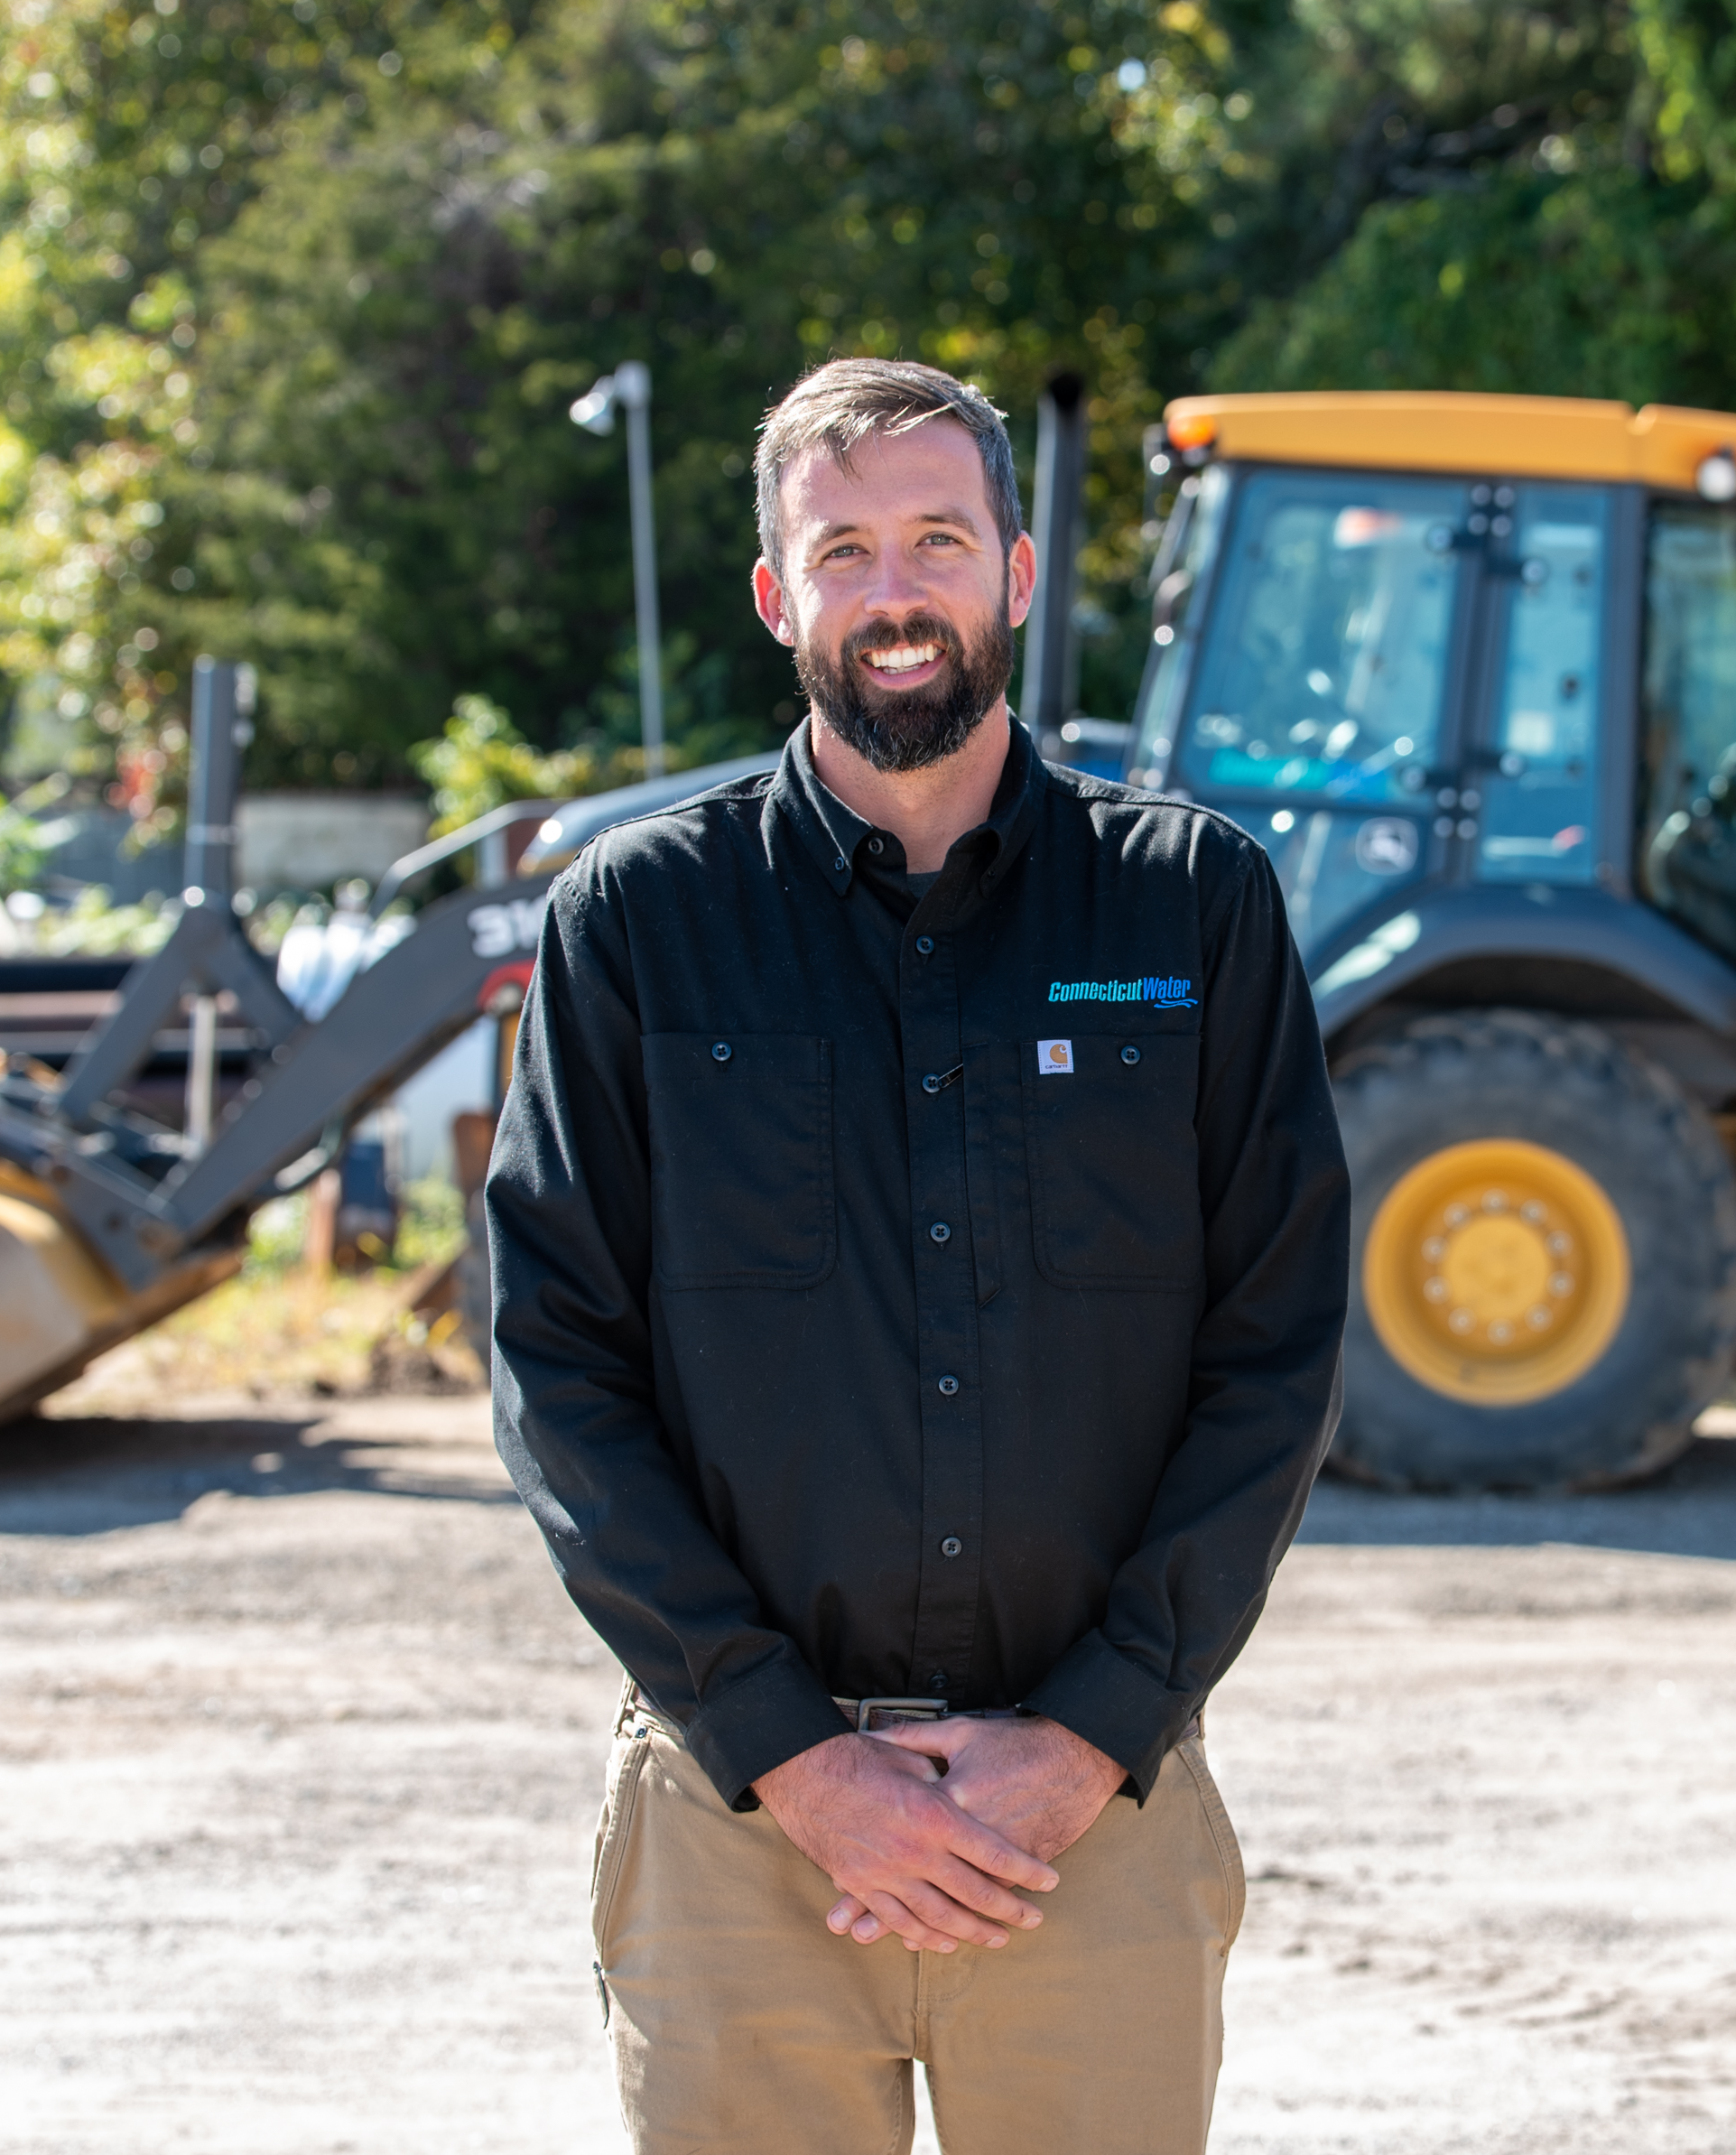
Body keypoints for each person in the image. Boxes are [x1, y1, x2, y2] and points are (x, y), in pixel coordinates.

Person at [486, 356, 1350, 2155]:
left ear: (1017, 575)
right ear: (775, 596)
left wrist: (1095, 1728)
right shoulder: (637, 928)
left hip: (1088, 1837)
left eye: (938, 540)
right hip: (741, 1840)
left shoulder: (1191, 907)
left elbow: (1275, 1350)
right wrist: (789, 1752)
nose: (895, 595)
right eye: (845, 549)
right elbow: (560, 1369)